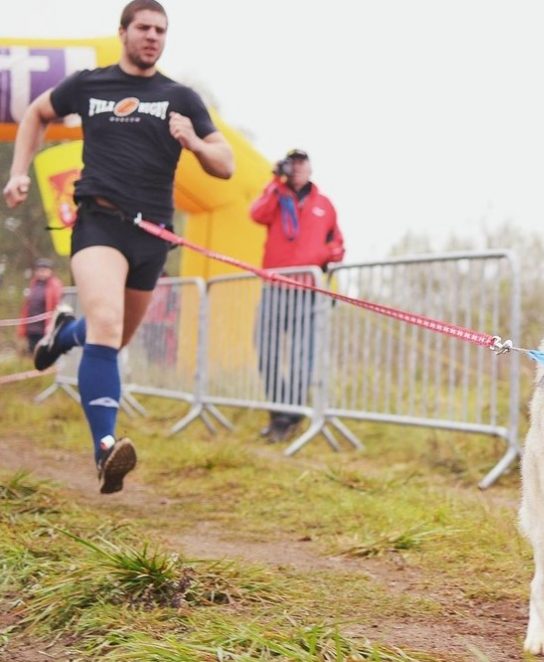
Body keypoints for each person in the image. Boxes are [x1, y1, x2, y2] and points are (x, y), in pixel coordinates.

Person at [2, 0, 234, 494]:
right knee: (107, 328)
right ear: (124, 32)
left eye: (161, 30)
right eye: (144, 28)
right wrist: (19, 172)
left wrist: (194, 142)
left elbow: (226, 165)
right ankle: (106, 449)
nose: (153, 36)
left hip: (153, 237)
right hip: (99, 223)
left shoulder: (181, 97)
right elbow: (36, 114)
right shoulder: (90, 84)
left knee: (114, 338)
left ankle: (66, 333)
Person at [249, 149, 344, 440]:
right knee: (266, 349)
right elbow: (256, 214)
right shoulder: (276, 196)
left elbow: (338, 244)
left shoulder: (324, 205)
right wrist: (275, 183)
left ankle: (289, 417)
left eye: (303, 162)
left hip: (308, 290)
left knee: (303, 355)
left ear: (311, 167)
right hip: (275, 287)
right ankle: (279, 410)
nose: (298, 167)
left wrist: (320, 256)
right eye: (294, 163)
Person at [18, 258, 64, 354]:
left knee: (44, 354)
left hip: (45, 329)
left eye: (44, 270)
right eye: (39, 270)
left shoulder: (55, 285)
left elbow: (57, 305)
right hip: (32, 329)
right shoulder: (33, 284)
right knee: (32, 352)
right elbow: (26, 306)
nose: (41, 273)